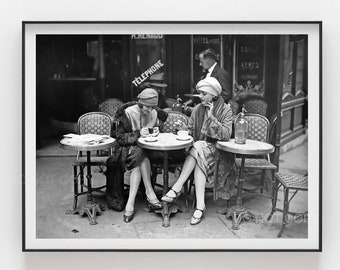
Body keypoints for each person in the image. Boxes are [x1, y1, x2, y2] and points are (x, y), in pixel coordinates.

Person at [161, 77, 235, 225]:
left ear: (213, 94)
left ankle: (177, 187)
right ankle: (200, 206)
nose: (200, 96)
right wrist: (182, 128)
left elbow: (226, 135)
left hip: (219, 152)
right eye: (199, 93)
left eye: (203, 93)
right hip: (201, 151)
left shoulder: (226, 110)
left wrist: (211, 116)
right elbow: (192, 130)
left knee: (197, 148)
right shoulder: (197, 109)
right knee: (199, 149)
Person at [105, 88, 168, 223]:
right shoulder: (127, 112)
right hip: (125, 149)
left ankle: (130, 204)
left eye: (152, 107)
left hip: (148, 150)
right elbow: (120, 138)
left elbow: (155, 132)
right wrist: (138, 133)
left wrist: (156, 131)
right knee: (139, 158)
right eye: (147, 107)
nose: (150, 110)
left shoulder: (154, 112)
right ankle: (149, 194)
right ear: (140, 103)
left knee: (141, 155)